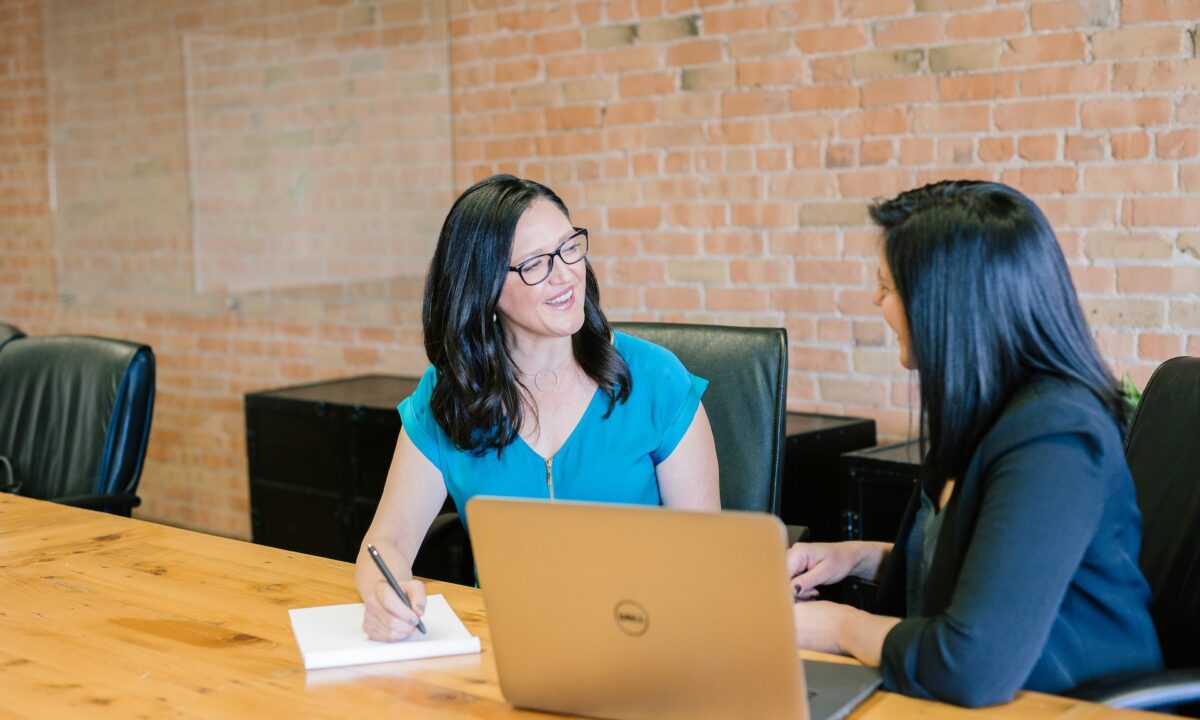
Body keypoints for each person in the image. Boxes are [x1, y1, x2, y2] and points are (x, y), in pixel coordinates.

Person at [787, 180, 1163, 707]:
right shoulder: (984, 411)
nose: (875, 300)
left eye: (888, 287)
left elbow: (970, 664)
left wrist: (838, 627)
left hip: (1071, 704)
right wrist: (857, 557)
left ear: (946, 305)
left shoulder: (1055, 437)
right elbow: (982, 566)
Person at [357, 174, 720, 641]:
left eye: (570, 247)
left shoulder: (656, 380)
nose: (566, 273)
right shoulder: (448, 397)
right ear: (483, 289)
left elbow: (707, 557)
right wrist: (383, 597)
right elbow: (385, 541)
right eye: (535, 264)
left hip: (643, 640)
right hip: (505, 648)